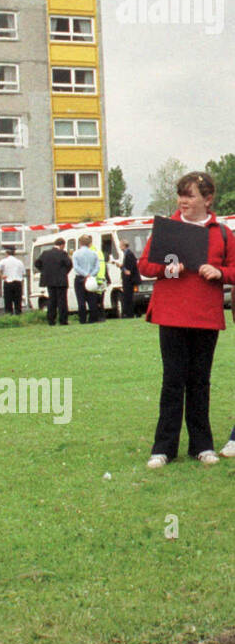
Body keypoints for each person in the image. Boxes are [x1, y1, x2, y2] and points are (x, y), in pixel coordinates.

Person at [138, 171, 234, 469]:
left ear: (207, 199)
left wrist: (220, 274)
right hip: (172, 314)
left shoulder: (222, 233)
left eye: (189, 195)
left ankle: (201, 445)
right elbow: (145, 266)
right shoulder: (168, 229)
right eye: (180, 195)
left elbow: (233, 268)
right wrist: (171, 270)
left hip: (205, 317)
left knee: (199, 382)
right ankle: (163, 447)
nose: (183, 201)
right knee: (172, 381)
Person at [36, 237, 71, 325]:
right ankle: (63, 320)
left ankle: (51, 320)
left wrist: (44, 271)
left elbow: (37, 263)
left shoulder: (45, 253)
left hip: (49, 281)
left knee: (52, 300)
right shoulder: (62, 253)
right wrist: (64, 273)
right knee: (62, 301)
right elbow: (69, 264)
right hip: (61, 281)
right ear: (62, 245)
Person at [71, 234, 104, 323]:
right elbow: (97, 267)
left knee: (81, 300)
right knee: (92, 300)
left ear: (80, 243)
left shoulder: (76, 253)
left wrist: (85, 274)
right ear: (89, 243)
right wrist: (90, 275)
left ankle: (82, 319)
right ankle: (93, 318)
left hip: (80, 278)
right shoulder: (94, 253)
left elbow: (76, 267)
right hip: (91, 279)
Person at [0, 247, 25, 315]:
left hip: (8, 283)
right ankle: (18, 317)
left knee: (8, 303)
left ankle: (9, 317)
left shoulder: (4, 261)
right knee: (18, 303)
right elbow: (23, 274)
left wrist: (1, 276)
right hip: (18, 283)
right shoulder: (19, 262)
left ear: (6, 253)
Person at [120, 239, 140, 318]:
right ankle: (132, 312)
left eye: (120, 245)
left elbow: (130, 269)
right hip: (129, 279)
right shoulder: (127, 254)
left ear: (124, 246)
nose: (120, 247)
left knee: (129, 297)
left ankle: (130, 313)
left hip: (129, 280)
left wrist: (122, 268)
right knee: (128, 296)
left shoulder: (129, 254)